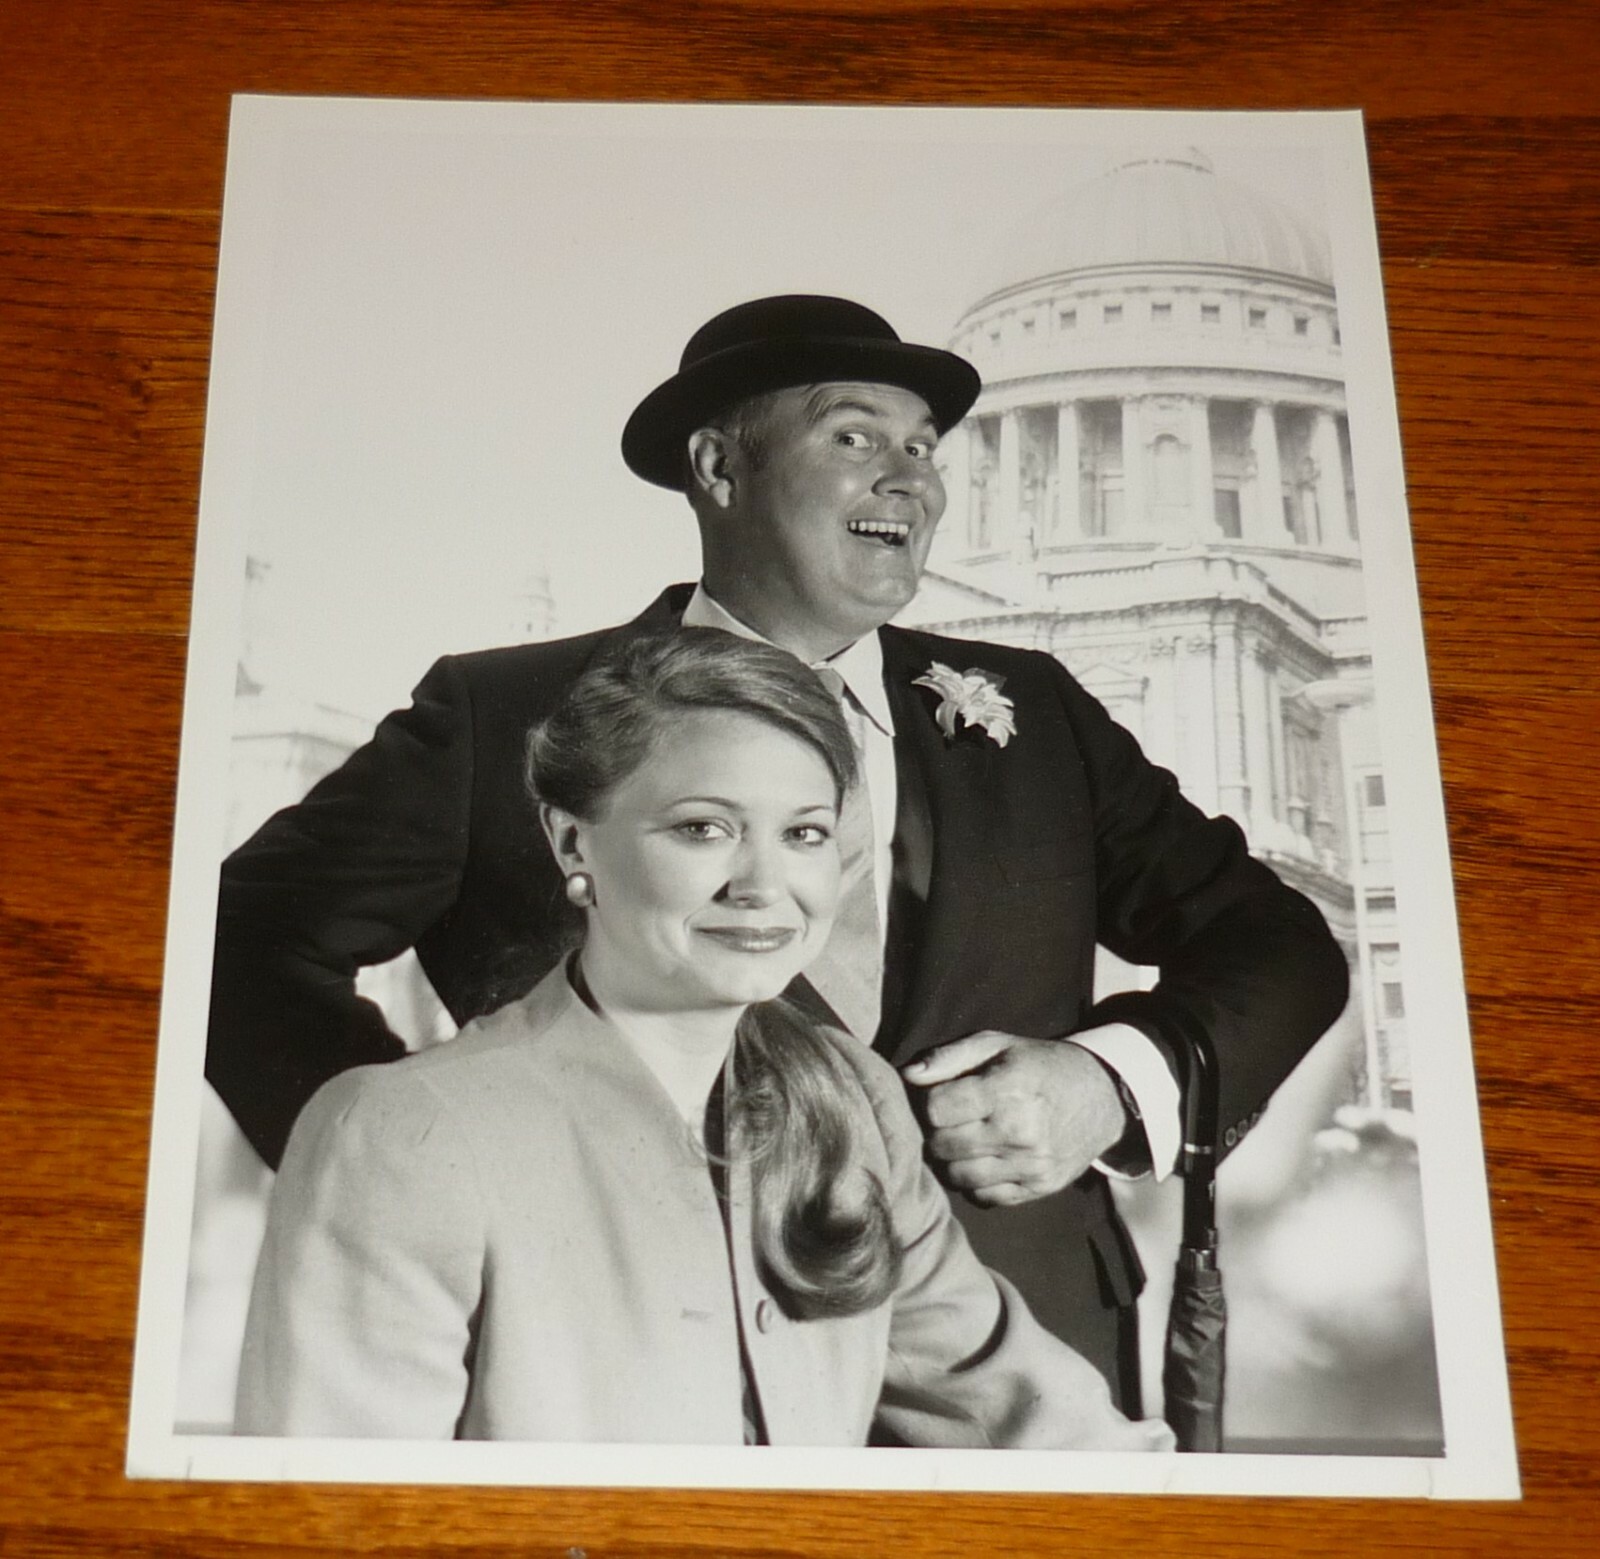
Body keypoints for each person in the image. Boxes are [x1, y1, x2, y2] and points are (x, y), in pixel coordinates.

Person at [209, 294, 1348, 1414]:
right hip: (620, 1374)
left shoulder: (1035, 712)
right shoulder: (503, 715)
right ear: (718, 467)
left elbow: (1278, 945)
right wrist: (441, 1170)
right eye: (855, 436)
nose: (910, 476)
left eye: (923, 445)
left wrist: (1104, 1081)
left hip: (1021, 1377)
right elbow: (237, 946)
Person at [234, 629, 1173, 1449]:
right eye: (703, 828)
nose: (764, 885)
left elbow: (1032, 1418)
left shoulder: (850, 1101)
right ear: (573, 845)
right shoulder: (396, 1133)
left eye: (804, 833)